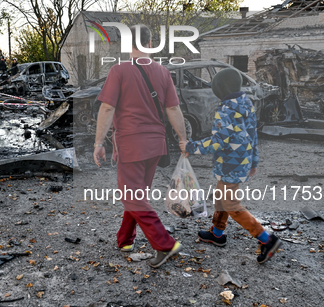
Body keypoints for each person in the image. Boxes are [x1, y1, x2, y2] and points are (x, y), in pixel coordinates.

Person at [93, 24, 188, 268]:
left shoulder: (119, 71)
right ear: (149, 43)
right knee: (136, 194)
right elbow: (173, 109)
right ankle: (125, 239)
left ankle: (165, 243)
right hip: (155, 146)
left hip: (131, 145)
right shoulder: (163, 72)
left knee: (132, 196)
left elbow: (107, 108)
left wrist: (98, 143)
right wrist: (182, 138)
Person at [181, 68, 281, 264]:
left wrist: (191, 146)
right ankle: (217, 233)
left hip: (229, 164)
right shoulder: (246, 103)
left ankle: (266, 239)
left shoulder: (225, 109)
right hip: (241, 161)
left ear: (221, 89)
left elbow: (219, 141)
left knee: (230, 204)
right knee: (222, 197)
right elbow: (253, 135)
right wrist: (254, 161)